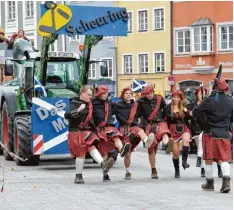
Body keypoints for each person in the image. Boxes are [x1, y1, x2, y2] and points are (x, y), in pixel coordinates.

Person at [64, 85, 115, 184]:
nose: (90, 97)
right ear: (82, 93)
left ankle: (103, 164)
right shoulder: (75, 103)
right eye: (89, 95)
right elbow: (66, 115)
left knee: (92, 146)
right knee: (81, 153)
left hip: (86, 131)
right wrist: (78, 110)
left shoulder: (91, 104)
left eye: (91, 95)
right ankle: (78, 176)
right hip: (75, 131)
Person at [192, 78, 233, 193]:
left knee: (208, 158)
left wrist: (203, 122)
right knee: (224, 159)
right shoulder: (231, 101)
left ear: (214, 87)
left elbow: (195, 112)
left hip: (209, 133)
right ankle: (226, 182)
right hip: (224, 133)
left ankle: (209, 183)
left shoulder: (209, 100)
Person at [112, 87, 155, 180]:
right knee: (127, 153)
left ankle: (147, 141)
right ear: (123, 95)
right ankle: (127, 172)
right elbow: (107, 112)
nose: (128, 95)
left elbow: (145, 110)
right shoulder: (117, 105)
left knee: (140, 130)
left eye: (130, 93)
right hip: (124, 129)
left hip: (134, 127)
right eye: (126, 93)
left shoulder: (135, 105)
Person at [92, 85, 131, 181]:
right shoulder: (92, 104)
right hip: (100, 129)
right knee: (104, 152)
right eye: (103, 94)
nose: (105, 95)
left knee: (116, 136)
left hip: (109, 127)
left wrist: (128, 103)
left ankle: (122, 149)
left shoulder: (109, 103)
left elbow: (120, 108)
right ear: (99, 94)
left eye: (106, 94)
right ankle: (105, 174)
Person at [137, 84, 172, 179]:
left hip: (160, 122)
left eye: (150, 93)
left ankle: (167, 144)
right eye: (147, 94)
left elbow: (166, 109)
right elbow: (137, 114)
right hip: (149, 125)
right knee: (152, 149)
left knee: (164, 133)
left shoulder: (160, 99)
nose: (149, 95)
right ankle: (153, 169)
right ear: (144, 94)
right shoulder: (140, 101)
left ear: (153, 91)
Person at [164, 90, 191, 178]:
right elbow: (168, 117)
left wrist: (186, 111)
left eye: (178, 98)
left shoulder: (184, 107)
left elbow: (190, 117)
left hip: (183, 128)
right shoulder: (168, 107)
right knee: (175, 153)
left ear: (180, 99)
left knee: (186, 139)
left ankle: (184, 161)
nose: (176, 99)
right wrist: (175, 113)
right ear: (172, 98)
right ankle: (177, 170)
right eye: (174, 97)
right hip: (172, 129)